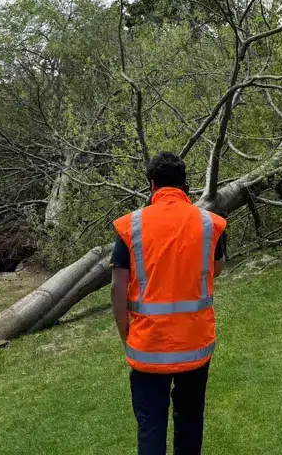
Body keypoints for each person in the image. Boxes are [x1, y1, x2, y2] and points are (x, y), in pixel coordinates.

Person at [111, 152, 227, 455]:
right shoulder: (209, 224)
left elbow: (117, 286)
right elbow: (217, 268)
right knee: (189, 421)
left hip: (148, 344)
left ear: (152, 185)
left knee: (151, 425)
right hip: (195, 344)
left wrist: (126, 334)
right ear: (185, 185)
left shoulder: (130, 225)